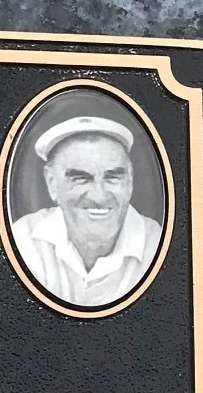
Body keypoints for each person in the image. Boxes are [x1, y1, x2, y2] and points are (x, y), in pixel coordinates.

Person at [10, 112, 163, 309]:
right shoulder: (24, 240)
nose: (99, 197)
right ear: (52, 183)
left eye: (112, 177)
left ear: (130, 182)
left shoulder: (156, 243)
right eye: (81, 178)